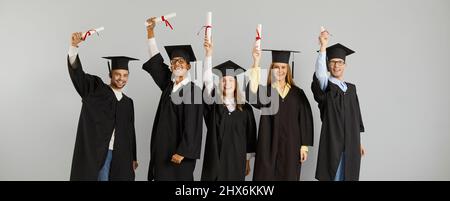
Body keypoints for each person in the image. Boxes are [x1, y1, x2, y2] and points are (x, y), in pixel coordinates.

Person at [67, 32, 138, 181]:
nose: (121, 78)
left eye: (125, 75)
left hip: (122, 156)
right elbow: (78, 75)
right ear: (110, 74)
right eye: (117, 74)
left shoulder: (128, 102)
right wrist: (74, 47)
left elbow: (130, 131)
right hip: (100, 153)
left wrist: (133, 157)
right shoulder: (96, 89)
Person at [143, 17, 203, 181]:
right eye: (174, 61)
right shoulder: (168, 87)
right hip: (162, 152)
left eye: (181, 61)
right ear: (170, 66)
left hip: (179, 154)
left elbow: (193, 124)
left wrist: (183, 151)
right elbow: (156, 61)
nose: (177, 64)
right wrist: (150, 32)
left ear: (188, 66)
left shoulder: (194, 91)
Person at [246, 46, 314, 181]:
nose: (280, 71)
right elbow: (251, 95)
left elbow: (305, 119)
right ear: (272, 69)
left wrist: (304, 146)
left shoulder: (297, 93)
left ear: (288, 69)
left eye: (283, 67)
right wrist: (256, 62)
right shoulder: (266, 92)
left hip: (291, 145)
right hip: (268, 144)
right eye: (276, 67)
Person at [312, 29, 366, 181]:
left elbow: (356, 117)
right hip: (333, 142)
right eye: (332, 62)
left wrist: (358, 142)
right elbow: (320, 73)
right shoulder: (326, 86)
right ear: (328, 65)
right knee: (333, 176)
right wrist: (323, 47)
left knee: (348, 176)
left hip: (351, 144)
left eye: (340, 62)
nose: (336, 65)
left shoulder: (351, 89)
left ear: (345, 65)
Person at [201, 37, 257, 181]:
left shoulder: (246, 109)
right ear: (220, 82)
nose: (227, 83)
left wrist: (247, 161)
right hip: (216, 159)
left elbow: (250, 137)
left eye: (231, 80)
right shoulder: (214, 106)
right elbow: (207, 81)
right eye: (224, 80)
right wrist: (208, 54)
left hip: (237, 161)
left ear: (236, 82)